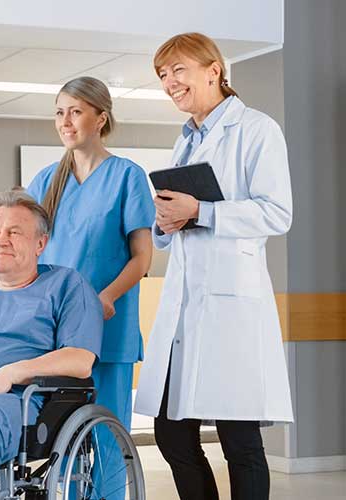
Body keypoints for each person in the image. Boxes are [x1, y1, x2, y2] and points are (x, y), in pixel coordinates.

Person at [134, 32, 293, 500]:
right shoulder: (184, 142)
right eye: (162, 75)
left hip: (232, 312)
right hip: (186, 307)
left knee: (240, 442)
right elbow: (172, 223)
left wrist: (201, 212)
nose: (169, 82)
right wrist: (165, 220)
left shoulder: (257, 130)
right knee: (171, 433)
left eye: (177, 70)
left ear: (214, 70)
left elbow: (277, 212)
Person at [27, 76, 154, 498]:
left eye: (75, 111)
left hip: (108, 325)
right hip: (56, 330)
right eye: (59, 112)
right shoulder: (45, 181)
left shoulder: (126, 177)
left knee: (106, 437)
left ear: (101, 118)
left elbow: (141, 257)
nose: (65, 121)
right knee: (57, 440)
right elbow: (31, 252)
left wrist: (106, 296)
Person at [0, 190, 103, 500]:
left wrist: (12, 372)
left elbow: (80, 360)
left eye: (14, 232)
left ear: (41, 243)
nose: (1, 239)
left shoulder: (66, 286)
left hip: (17, 403)